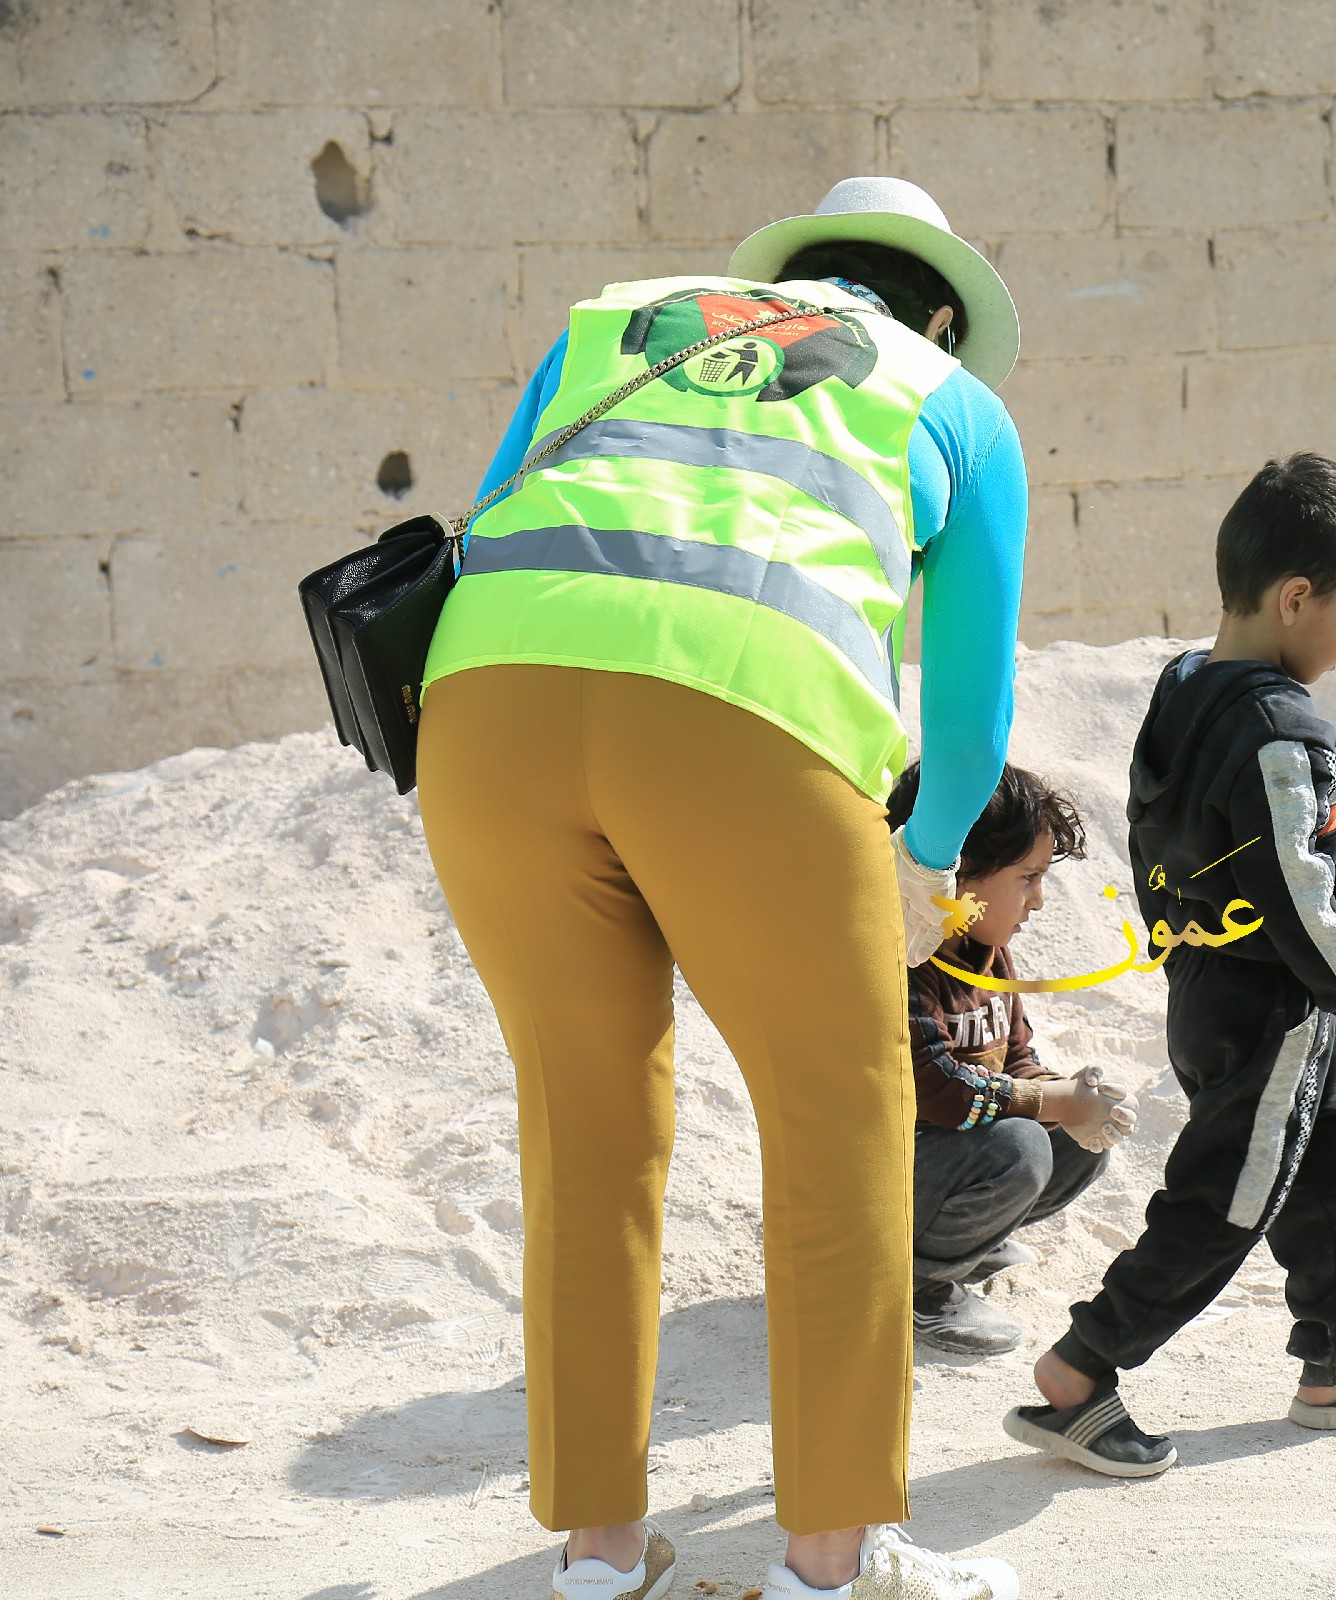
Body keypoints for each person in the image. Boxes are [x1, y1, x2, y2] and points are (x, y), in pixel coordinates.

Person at [415, 176, 1032, 1600]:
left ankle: (596, 1556)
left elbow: (488, 524)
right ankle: (832, 1561)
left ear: (802, 268)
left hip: (490, 717)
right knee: (836, 1122)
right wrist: (927, 856)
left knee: (586, 1125)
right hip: (747, 723)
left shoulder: (616, 323)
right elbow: (970, 713)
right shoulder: (952, 399)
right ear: (940, 315)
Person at [1007, 453, 1336, 1480]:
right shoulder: (1281, 732)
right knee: (1227, 1198)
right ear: (1297, 598)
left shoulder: (1184, 690)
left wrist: (1182, 942)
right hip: (1272, 1005)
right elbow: (1300, 887)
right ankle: (1082, 1366)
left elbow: (1155, 833)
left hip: (1216, 989)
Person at [884, 761, 1136, 1356]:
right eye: (1027, 878)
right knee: (1022, 1146)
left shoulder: (985, 952)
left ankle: (966, 1243)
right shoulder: (905, 960)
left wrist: (1074, 1096)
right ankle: (917, 1283)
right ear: (959, 872)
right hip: (881, 1184)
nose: (1038, 901)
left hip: (944, 1161)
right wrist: (1052, 1100)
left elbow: (1016, 1059)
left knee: (1075, 1141)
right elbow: (937, 1089)